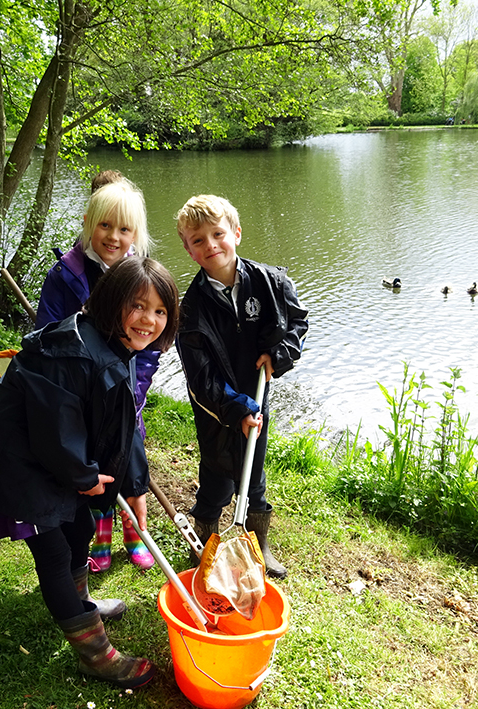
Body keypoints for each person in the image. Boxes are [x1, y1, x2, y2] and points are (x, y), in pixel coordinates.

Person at [0, 256, 180, 689]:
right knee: (54, 555)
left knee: (80, 527)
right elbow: (53, 429)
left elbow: (122, 425)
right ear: (112, 300)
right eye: (138, 306)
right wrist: (83, 476)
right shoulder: (73, 351)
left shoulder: (118, 347)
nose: (149, 320)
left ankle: (82, 600)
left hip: (56, 467)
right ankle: (95, 654)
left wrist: (134, 483)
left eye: (160, 311)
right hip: (23, 469)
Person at [174, 194, 308, 579]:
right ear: (188, 249)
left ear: (236, 232)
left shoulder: (272, 282)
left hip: (258, 395)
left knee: (256, 473)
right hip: (218, 408)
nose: (211, 245)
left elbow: (298, 323)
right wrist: (236, 408)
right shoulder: (191, 310)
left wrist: (280, 353)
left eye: (218, 234)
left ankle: (258, 543)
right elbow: (201, 380)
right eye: (198, 240)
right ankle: (205, 540)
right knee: (216, 474)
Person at [34, 177, 159, 574]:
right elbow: (44, 337)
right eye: (105, 225)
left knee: (130, 462)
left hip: (125, 392)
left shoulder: (142, 275)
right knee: (93, 470)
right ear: (89, 223)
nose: (113, 237)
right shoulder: (65, 275)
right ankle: (99, 538)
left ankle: (134, 532)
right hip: (82, 396)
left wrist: (135, 392)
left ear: (136, 234)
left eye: (124, 229)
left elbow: (152, 340)